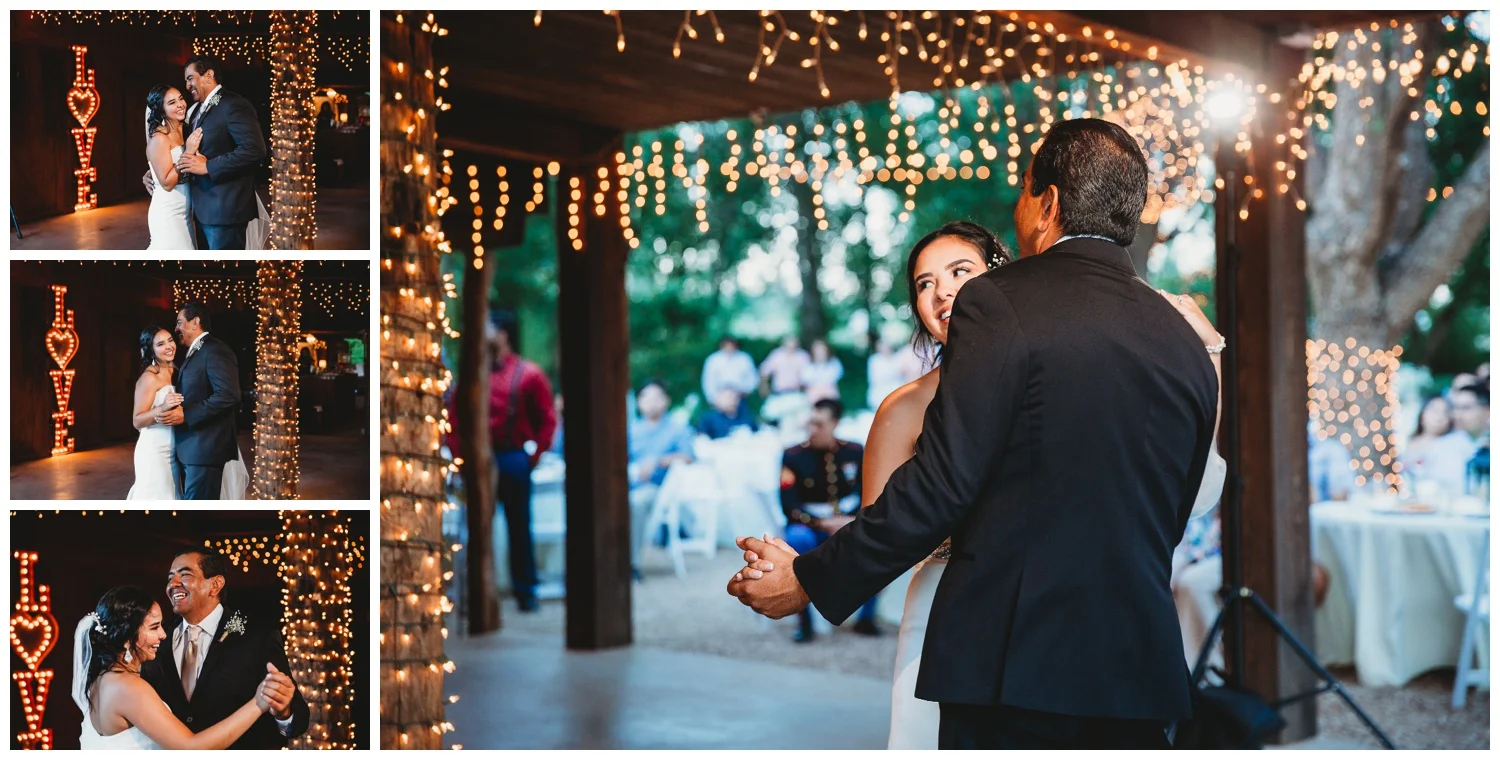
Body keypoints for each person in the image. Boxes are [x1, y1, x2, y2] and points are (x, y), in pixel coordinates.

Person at [731, 118, 1226, 749]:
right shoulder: (1184, 336)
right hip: (1139, 668)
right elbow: (1176, 507)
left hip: (1015, 665)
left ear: (1047, 204)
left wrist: (808, 578)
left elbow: (943, 482)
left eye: (1023, 192)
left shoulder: (996, 302)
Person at [72, 586, 286, 750]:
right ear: (128, 636)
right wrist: (259, 703)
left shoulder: (100, 680)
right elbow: (191, 748)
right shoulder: (128, 688)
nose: (163, 635)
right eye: (154, 627)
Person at [139, 548, 310, 748]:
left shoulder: (256, 636)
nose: (173, 584)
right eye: (170, 578)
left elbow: (298, 721)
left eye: (184, 574)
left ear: (215, 585)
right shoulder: (156, 640)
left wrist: (284, 712)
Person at [455, 310, 558, 612]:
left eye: (488, 328)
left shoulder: (529, 374)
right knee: (476, 528)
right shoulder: (471, 373)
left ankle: (526, 592)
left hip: (513, 457)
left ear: (503, 334)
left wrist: (533, 456)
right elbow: (455, 419)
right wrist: (461, 457)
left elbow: (548, 420)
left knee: (519, 526)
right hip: (478, 458)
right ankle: (476, 594)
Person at [142, 55, 268, 250]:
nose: (187, 85)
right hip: (199, 212)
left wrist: (207, 166)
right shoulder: (194, 112)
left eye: (190, 78)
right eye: (185, 80)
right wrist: (154, 172)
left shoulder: (234, 104)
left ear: (208, 75)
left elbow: (254, 149)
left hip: (225, 211)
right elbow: (169, 153)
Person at [778, 398, 875, 642]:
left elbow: (869, 491)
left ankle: (866, 618)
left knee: (877, 542)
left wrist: (851, 519)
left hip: (847, 522)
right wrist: (822, 523)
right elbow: (788, 504)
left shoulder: (853, 451)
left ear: (835, 424)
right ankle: (804, 622)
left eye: (819, 424)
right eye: (810, 423)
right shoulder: (793, 456)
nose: (812, 430)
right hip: (810, 525)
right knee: (796, 541)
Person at [153, 304, 249, 500]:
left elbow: (228, 395)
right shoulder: (195, 352)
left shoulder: (215, 350)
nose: (176, 328)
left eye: (180, 322)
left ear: (195, 322)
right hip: (192, 449)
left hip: (205, 450)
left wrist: (186, 414)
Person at [628, 380, 696, 578]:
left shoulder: (676, 428)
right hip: (628, 482)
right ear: (638, 402)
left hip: (655, 487)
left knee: (636, 503)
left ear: (666, 401)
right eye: (645, 398)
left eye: (656, 397)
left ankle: (632, 563)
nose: (651, 402)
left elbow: (689, 456)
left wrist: (659, 460)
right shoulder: (631, 428)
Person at [143, 85, 201, 250]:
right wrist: (188, 152)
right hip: (168, 212)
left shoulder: (185, 128)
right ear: (161, 110)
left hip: (185, 212)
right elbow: (167, 183)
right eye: (172, 102)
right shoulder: (159, 138)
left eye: (181, 98)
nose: (181, 104)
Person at [701, 337, 758, 410]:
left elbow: (752, 377)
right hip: (719, 397)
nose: (729, 348)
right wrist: (712, 398)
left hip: (740, 395)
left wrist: (747, 390)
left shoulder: (744, 358)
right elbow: (708, 380)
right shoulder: (713, 360)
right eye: (727, 345)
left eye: (731, 345)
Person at [866, 337, 914, 411]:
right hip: (880, 393)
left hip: (896, 392)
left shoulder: (897, 357)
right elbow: (875, 378)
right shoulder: (875, 360)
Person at [800, 339, 844, 404]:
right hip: (813, 394)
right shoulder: (808, 365)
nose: (819, 352)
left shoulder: (834, 363)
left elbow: (835, 377)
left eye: (822, 349)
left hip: (830, 393)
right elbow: (806, 379)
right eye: (817, 349)